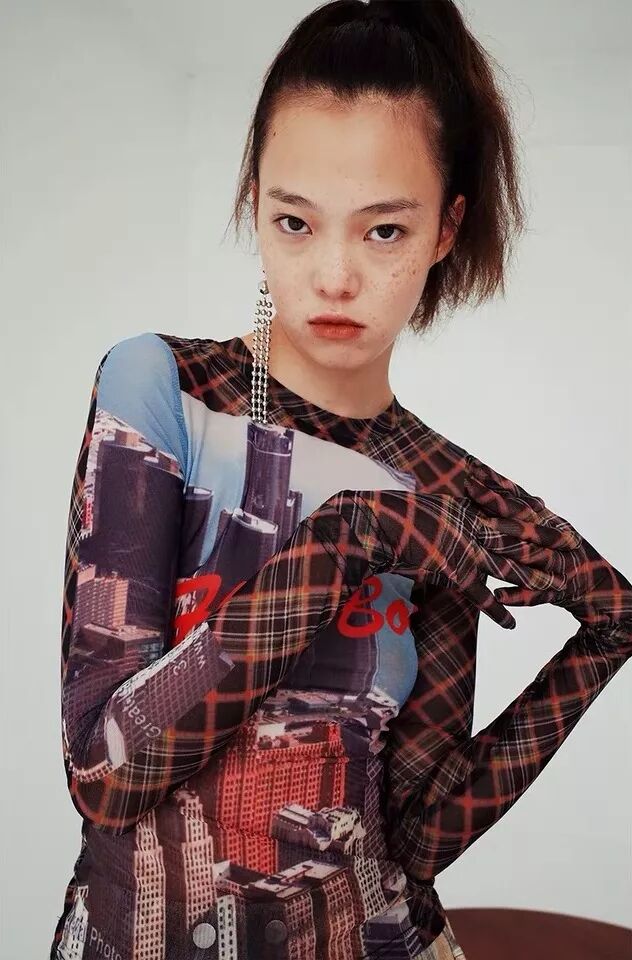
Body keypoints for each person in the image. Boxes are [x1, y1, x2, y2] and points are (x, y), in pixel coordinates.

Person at [50, 2, 632, 959]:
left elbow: (416, 838)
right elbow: (106, 773)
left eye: (383, 231)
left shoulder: (443, 485)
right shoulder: (163, 390)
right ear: (256, 204)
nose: (332, 275)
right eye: (295, 221)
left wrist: (606, 637)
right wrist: (359, 533)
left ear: (445, 229)